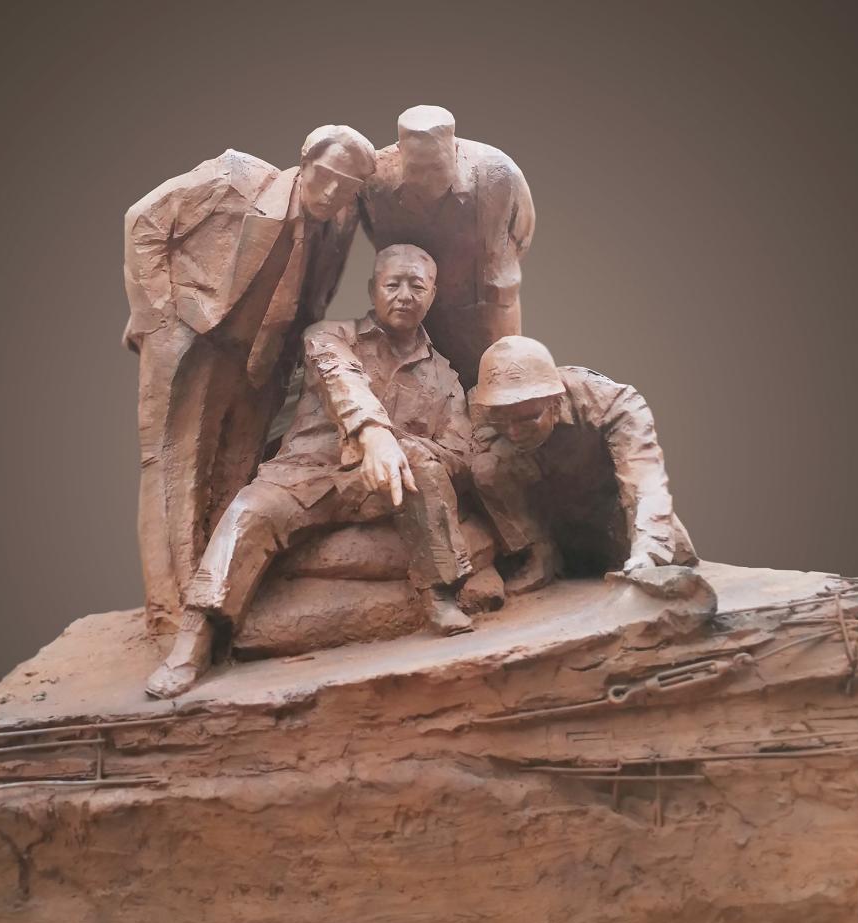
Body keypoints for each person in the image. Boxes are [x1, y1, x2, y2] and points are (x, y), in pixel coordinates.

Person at [147, 244, 477, 698]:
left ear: (433, 294)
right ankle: (195, 638)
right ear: (372, 289)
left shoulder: (445, 377)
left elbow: (460, 453)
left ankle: (439, 594)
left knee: (423, 465)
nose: (404, 295)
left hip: (384, 487)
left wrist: (404, 447)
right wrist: (374, 433)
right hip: (307, 475)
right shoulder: (330, 337)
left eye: (417, 286)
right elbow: (341, 378)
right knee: (249, 511)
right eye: (392, 284)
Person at [122, 126, 375, 641]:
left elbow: (316, 291)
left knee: (239, 463)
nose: (331, 192)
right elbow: (143, 220)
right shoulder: (234, 178)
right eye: (326, 176)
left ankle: (219, 591)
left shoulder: (340, 220)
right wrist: (160, 314)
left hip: (263, 354)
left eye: (346, 186)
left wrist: (289, 354)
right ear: (305, 161)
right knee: (176, 462)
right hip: (194, 337)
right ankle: (169, 608)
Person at [469, 336, 697, 594]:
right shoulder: (486, 405)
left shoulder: (614, 404)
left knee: (666, 575)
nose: (512, 431)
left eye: (526, 420)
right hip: (556, 519)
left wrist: (648, 550)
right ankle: (542, 554)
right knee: (486, 467)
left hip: (614, 515)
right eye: (502, 420)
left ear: (555, 403)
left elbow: (644, 478)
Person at [358, 105, 535, 387]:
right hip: (419, 309)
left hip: (486, 309)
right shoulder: (377, 181)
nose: (427, 180)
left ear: (453, 150)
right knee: (424, 393)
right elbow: (374, 233)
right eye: (416, 170)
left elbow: (521, 235)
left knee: (498, 390)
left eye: (437, 168)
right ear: (401, 155)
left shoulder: (498, 174)